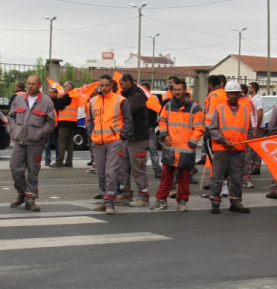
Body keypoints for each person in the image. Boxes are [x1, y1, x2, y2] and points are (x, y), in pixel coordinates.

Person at [153, 80, 204, 211]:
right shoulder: (168, 106)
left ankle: (182, 201)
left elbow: (199, 127)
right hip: (170, 147)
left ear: (185, 90)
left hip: (186, 149)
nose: (176, 92)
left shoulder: (194, 108)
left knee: (184, 178)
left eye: (179, 89)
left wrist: (192, 142)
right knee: (166, 177)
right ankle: (161, 199)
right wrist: (165, 135)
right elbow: (162, 121)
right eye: (174, 89)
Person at [8, 75, 56, 212]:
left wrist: (41, 133)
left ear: (39, 86)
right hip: (19, 140)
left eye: (33, 84)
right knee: (15, 168)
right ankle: (21, 194)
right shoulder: (19, 99)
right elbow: (11, 116)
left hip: (35, 142)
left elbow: (51, 122)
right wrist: (14, 129)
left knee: (33, 170)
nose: (30, 86)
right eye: (28, 84)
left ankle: (30, 199)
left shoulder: (46, 102)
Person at [87, 76, 133, 214]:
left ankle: (109, 203)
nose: (104, 88)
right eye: (102, 85)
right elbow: (90, 121)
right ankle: (104, 197)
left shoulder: (120, 100)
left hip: (114, 142)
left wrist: (122, 137)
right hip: (98, 142)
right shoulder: (93, 101)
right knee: (100, 173)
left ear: (112, 86)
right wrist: (91, 135)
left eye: (107, 85)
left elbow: (128, 120)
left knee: (111, 172)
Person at [206, 80, 252, 213]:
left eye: (235, 93)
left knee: (237, 177)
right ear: (227, 94)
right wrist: (223, 140)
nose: (233, 96)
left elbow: (249, 130)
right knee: (218, 176)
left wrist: (245, 144)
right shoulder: (219, 109)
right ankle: (215, 202)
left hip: (238, 150)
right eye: (231, 93)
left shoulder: (245, 110)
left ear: (239, 94)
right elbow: (213, 129)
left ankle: (236, 202)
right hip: (222, 149)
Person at [115, 73, 152, 207]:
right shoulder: (128, 96)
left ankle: (143, 195)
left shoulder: (136, 96)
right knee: (123, 166)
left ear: (128, 82)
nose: (120, 86)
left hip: (137, 137)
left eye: (122, 83)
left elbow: (126, 110)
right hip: (128, 136)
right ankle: (126, 192)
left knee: (138, 167)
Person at [52, 81, 79, 167]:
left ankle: (59, 161)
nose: (63, 88)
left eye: (64, 86)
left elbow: (58, 106)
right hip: (72, 121)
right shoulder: (75, 95)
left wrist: (59, 98)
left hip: (65, 121)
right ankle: (69, 161)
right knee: (70, 143)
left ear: (69, 88)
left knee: (61, 141)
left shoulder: (67, 95)